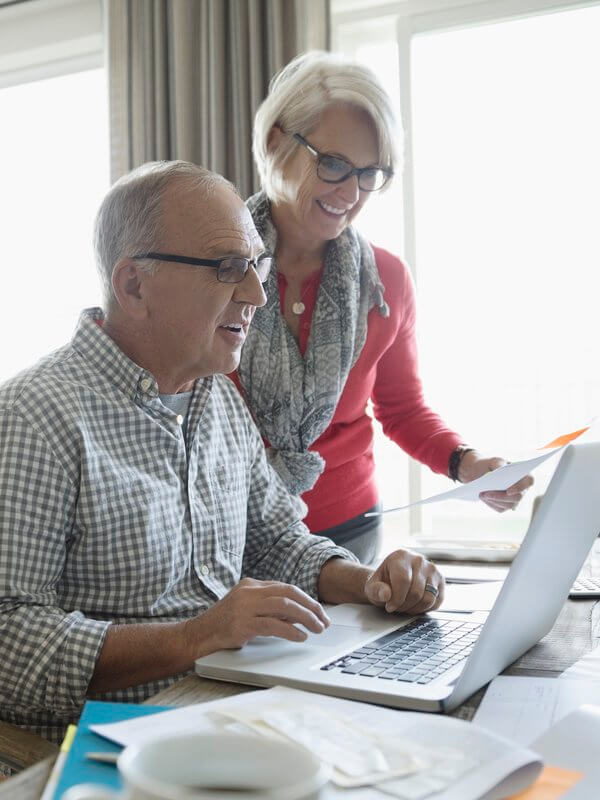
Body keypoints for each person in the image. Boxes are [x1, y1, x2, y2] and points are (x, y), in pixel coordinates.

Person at [0, 161, 445, 743]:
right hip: (112, 742)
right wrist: (198, 636)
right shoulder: (35, 416)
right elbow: (9, 643)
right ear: (134, 285)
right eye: (227, 268)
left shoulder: (217, 398)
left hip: (235, 709)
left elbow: (279, 542)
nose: (257, 293)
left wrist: (369, 584)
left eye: (255, 264)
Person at [236, 51, 533, 563]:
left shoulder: (386, 281)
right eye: (333, 164)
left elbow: (401, 409)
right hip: (227, 531)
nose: (351, 193)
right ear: (274, 141)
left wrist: (466, 463)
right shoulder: (214, 267)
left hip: (351, 532)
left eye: (369, 172)